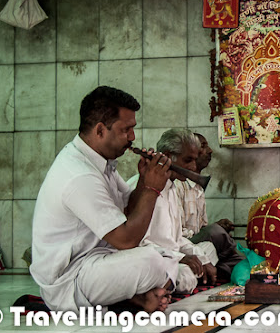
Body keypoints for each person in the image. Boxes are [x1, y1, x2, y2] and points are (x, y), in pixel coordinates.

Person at [30, 86, 178, 312]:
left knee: (167, 256)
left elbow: (129, 211)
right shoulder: (79, 174)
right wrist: (151, 188)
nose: (132, 137)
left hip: (99, 262)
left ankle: (138, 298)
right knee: (152, 262)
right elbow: (127, 240)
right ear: (100, 130)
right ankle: (135, 298)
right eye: (126, 130)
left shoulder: (100, 163)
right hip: (72, 281)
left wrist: (143, 182)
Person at [128, 129, 219, 293]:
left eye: (194, 160)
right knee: (184, 276)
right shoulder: (140, 189)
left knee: (208, 251)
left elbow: (177, 239)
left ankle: (191, 274)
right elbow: (138, 243)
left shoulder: (172, 188)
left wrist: (201, 259)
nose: (193, 167)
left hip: (172, 257)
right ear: (167, 156)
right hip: (154, 259)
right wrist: (180, 258)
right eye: (188, 160)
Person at [176, 132, 243, 279]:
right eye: (204, 146)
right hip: (178, 245)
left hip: (193, 244)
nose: (210, 151)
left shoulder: (198, 186)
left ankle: (218, 272)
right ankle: (240, 265)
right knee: (216, 235)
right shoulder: (176, 184)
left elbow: (200, 228)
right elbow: (177, 235)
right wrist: (213, 232)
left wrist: (215, 228)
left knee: (216, 241)